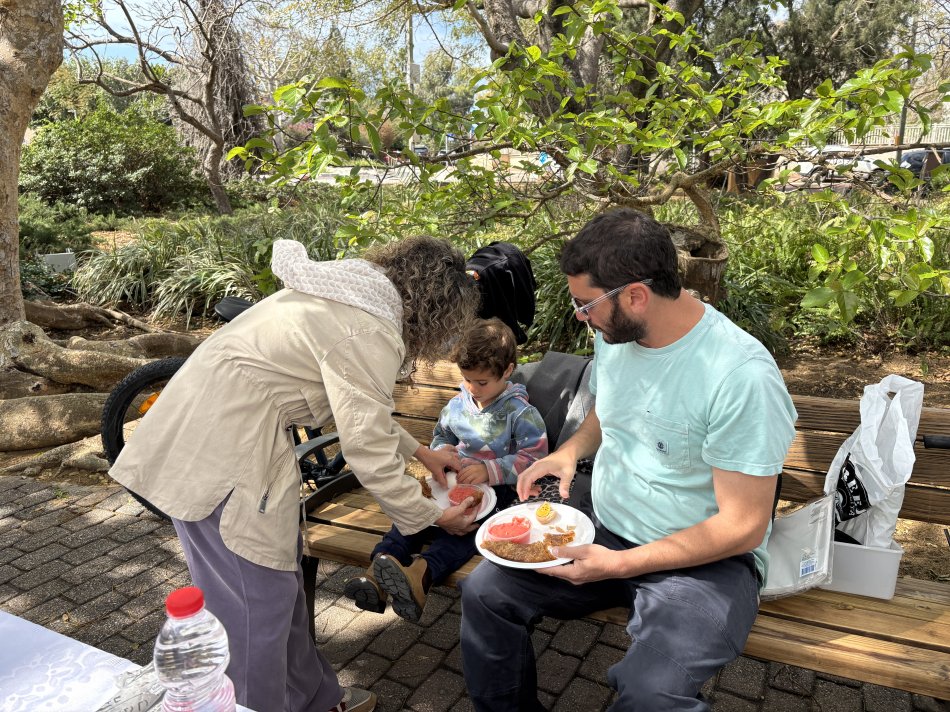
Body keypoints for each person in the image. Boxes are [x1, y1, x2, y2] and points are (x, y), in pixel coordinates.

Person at [109, 236, 483, 712]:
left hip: (224, 434)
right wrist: (432, 516)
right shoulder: (367, 328)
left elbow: (359, 411)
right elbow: (366, 448)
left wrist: (422, 453)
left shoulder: (352, 296)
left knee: (275, 592)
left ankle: (315, 700)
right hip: (221, 451)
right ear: (437, 311)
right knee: (253, 613)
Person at [459, 208, 798, 712]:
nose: (581, 317)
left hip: (706, 563)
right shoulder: (616, 335)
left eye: (585, 304)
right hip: (604, 526)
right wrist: (570, 452)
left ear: (636, 295)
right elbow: (609, 407)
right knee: (486, 593)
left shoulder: (739, 376)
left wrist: (619, 565)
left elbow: (744, 527)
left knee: (649, 693)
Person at [343, 318, 549, 622]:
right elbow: (442, 435)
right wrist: (441, 451)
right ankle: (377, 573)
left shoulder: (520, 413)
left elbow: (535, 458)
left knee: (464, 533)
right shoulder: (457, 405)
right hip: (448, 485)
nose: (473, 388)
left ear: (507, 371)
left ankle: (419, 576)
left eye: (482, 382)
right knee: (411, 517)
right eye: (467, 379)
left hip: (494, 493)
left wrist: (489, 470)